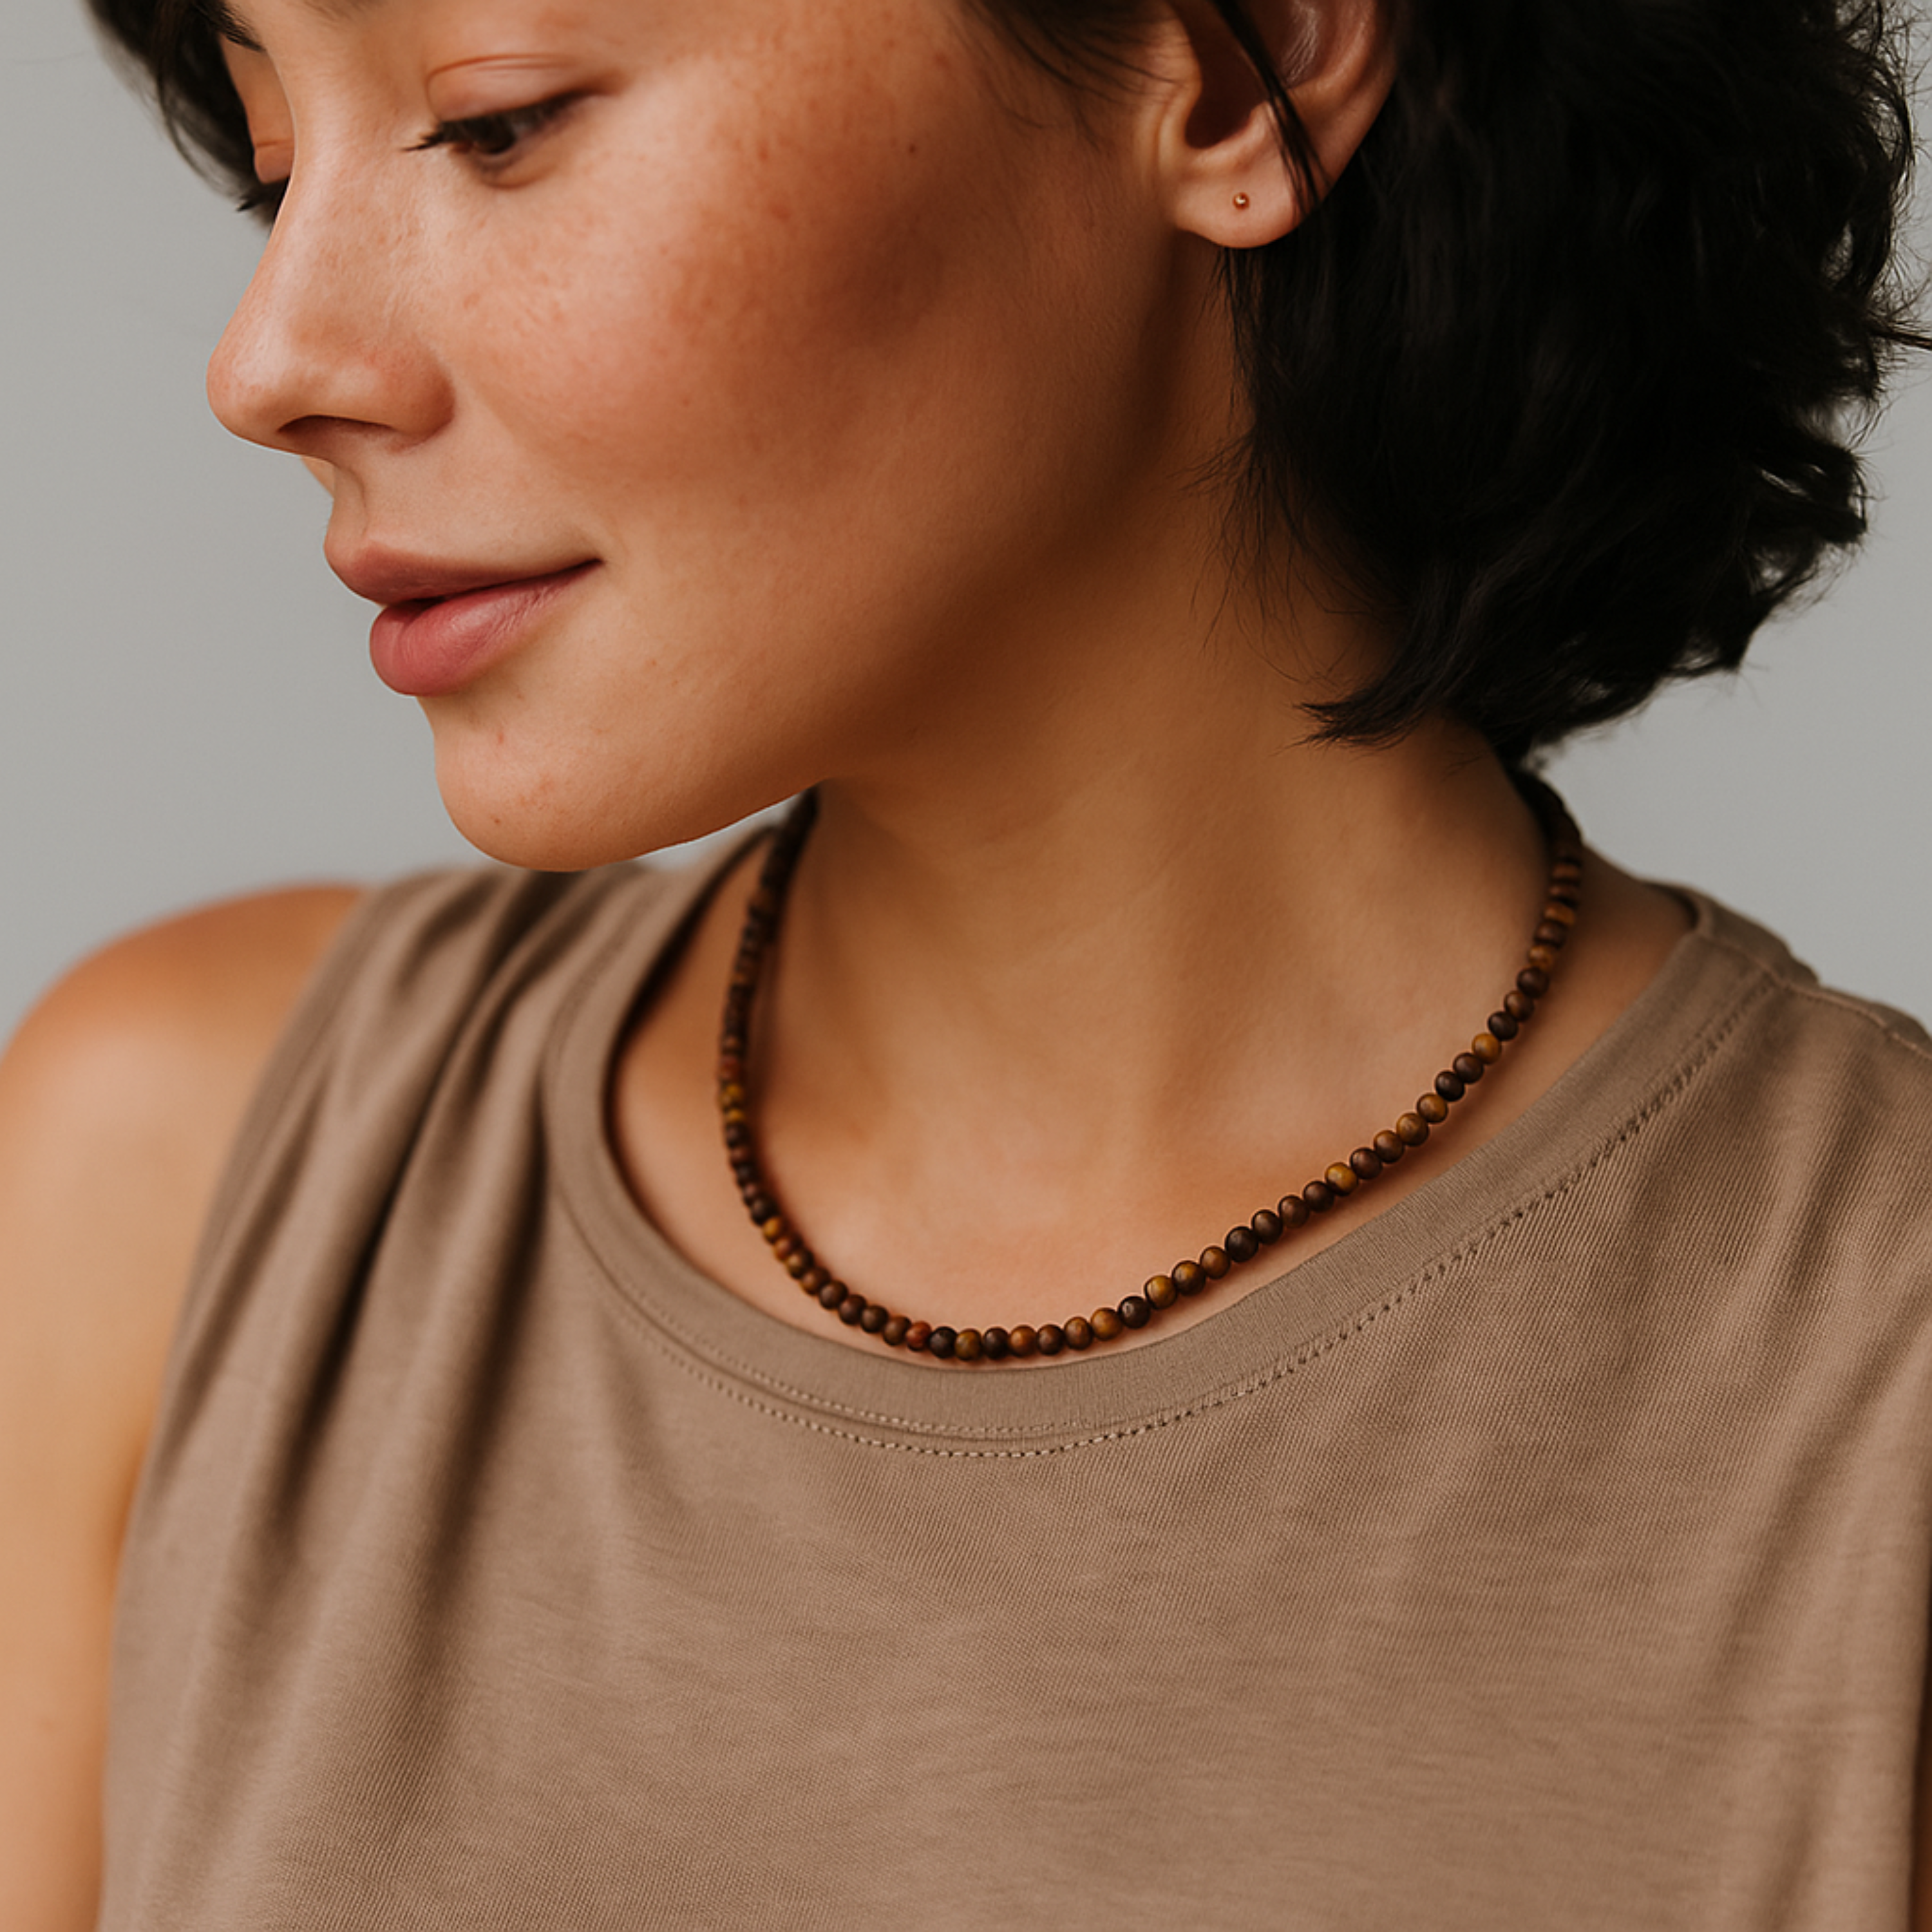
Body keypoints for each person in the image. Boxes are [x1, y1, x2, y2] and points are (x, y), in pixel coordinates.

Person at [3, 0, 1928, 1924]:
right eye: (273, 160)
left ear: (1246, 72)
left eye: (496, 124)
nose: (268, 361)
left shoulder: (1868, 1406)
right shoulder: (172, 1194)